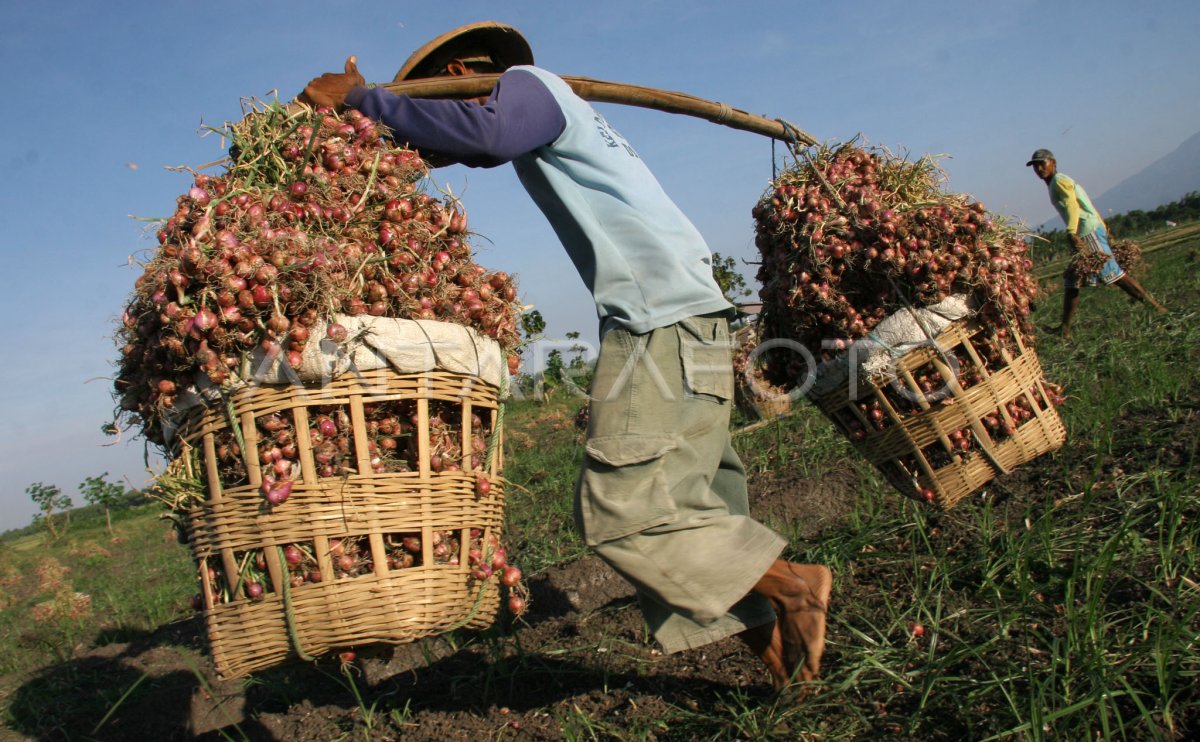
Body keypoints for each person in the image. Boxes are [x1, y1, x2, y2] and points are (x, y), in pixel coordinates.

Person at [299, 21, 831, 693]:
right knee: (697, 509)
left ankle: (794, 585)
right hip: (691, 318)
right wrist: (372, 119)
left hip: (656, 322)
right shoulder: (564, 121)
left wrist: (361, 99)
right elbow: (458, 145)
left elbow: (484, 135)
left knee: (621, 510)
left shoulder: (531, 86)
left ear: (465, 70)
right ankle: (789, 670)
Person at [1026, 148, 1166, 339]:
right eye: (1035, 165)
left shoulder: (1059, 181)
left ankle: (1158, 309)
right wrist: (1103, 227)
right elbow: (1085, 204)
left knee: (1114, 274)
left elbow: (1072, 205)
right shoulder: (1054, 183)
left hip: (1085, 230)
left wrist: (1071, 231)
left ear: (1053, 163)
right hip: (1088, 229)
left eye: (1043, 163)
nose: (1039, 168)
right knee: (1072, 279)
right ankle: (1064, 330)